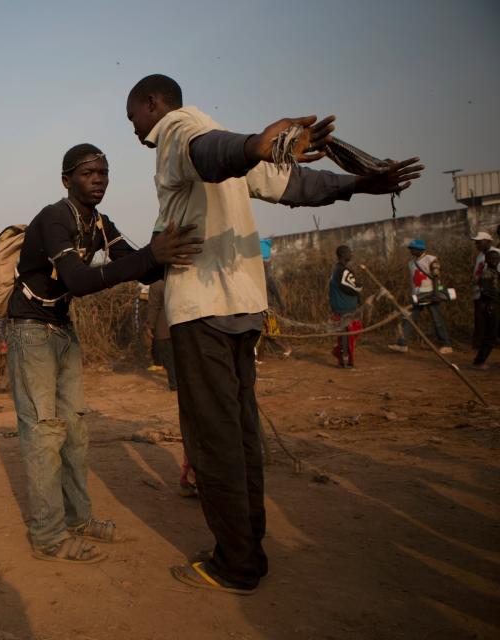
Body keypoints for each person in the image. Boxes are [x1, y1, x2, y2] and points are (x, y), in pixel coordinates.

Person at [125, 73, 421, 594]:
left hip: (202, 309)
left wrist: (254, 143)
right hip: (243, 310)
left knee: (213, 442)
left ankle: (234, 565)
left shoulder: (177, 127)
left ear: (153, 104)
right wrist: (356, 184)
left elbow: (208, 149)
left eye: (134, 118)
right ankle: (249, 549)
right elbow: (294, 186)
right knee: (240, 439)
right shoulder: (229, 150)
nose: (135, 131)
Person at [7, 142, 202, 563]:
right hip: (30, 329)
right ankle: (48, 536)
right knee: (44, 433)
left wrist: (165, 243)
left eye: (104, 172)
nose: (99, 179)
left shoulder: (97, 221)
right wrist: (151, 256)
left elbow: (137, 264)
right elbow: (78, 280)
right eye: (88, 173)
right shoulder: (54, 217)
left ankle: (78, 520)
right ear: (66, 180)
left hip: (60, 327)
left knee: (75, 430)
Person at [387, 239, 453, 354]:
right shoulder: (411, 263)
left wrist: (436, 293)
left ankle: (446, 345)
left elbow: (436, 276)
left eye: (412, 249)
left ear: (420, 249)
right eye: (410, 249)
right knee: (409, 319)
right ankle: (402, 344)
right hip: (418, 296)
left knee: (437, 320)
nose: (410, 251)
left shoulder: (431, 259)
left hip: (431, 293)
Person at [329, 245, 363, 368]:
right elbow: (351, 287)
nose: (351, 253)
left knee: (346, 333)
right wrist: (360, 286)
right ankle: (344, 359)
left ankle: (343, 358)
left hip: (341, 306)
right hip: (344, 307)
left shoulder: (338, 270)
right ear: (343, 254)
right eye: (349, 252)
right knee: (346, 334)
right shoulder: (342, 271)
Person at [258, 238, 291, 360]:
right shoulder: (261, 275)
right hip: (261, 308)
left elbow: (276, 291)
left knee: (269, 334)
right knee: (263, 334)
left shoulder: (267, 276)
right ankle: (259, 359)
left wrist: (282, 304)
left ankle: (285, 348)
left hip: (268, 309)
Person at [472, 247, 500, 369]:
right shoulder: (487, 274)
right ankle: (479, 361)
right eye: (491, 258)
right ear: (487, 261)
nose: (494, 260)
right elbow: (487, 292)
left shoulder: (494, 273)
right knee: (490, 335)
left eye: (496, 258)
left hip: (494, 305)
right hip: (491, 306)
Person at [146, 280, 177, 390]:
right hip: (184, 323)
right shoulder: (181, 277)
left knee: (170, 357)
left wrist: (150, 325)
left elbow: (153, 306)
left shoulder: (156, 283)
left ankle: (175, 385)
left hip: (165, 326)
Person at [471, 231, 494, 350]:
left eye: (480, 242)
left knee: (491, 319)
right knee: (480, 318)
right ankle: (479, 343)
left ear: (488, 241)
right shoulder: (480, 255)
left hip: (490, 293)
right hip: (479, 292)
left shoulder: (495, 254)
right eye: (476, 243)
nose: (477, 244)